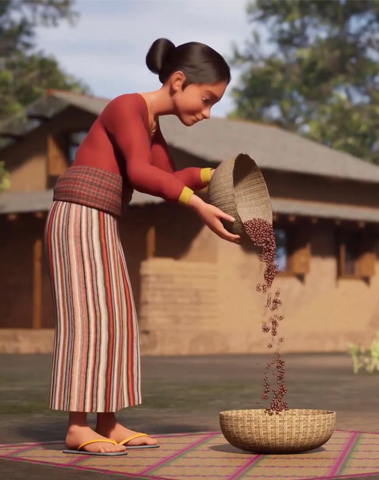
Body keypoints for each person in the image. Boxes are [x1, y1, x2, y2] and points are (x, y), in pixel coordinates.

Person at [45, 38, 240, 456]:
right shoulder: (126, 107)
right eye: (205, 100)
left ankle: (108, 422)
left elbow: (167, 177)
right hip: (77, 214)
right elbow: (139, 172)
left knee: (117, 318)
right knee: (88, 318)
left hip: (101, 218)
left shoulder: (152, 124)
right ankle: (77, 426)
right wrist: (198, 207)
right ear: (178, 81)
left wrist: (213, 175)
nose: (206, 113)